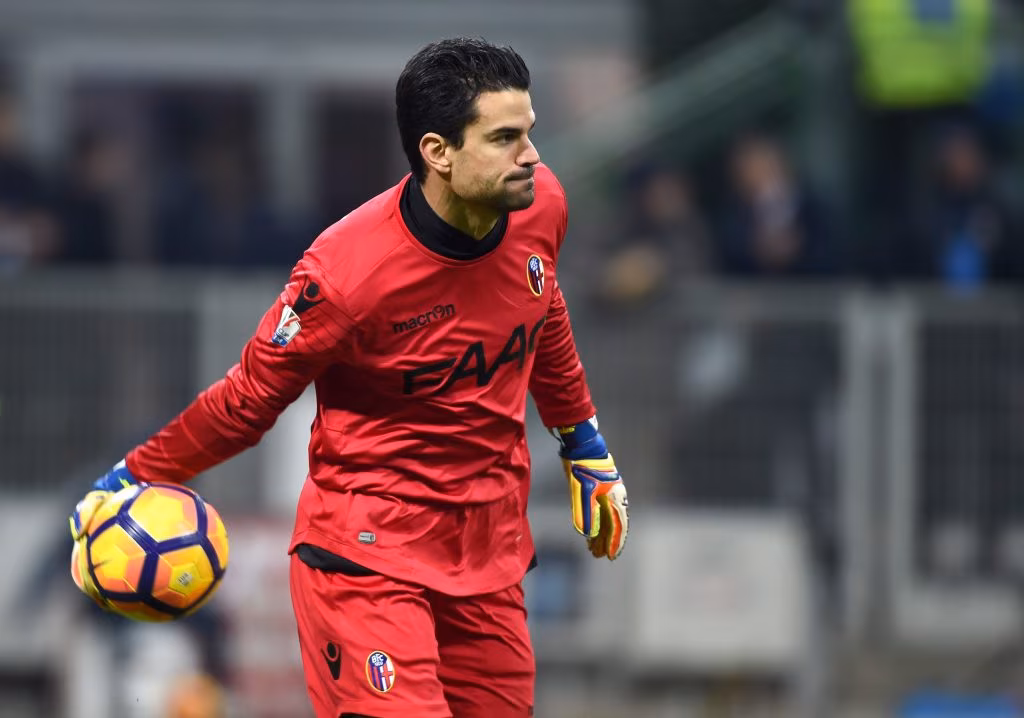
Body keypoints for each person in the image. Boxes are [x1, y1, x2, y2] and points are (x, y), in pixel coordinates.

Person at [68, 38, 628, 718]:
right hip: (369, 557)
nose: (531, 156)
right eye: (504, 139)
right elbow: (246, 401)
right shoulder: (345, 275)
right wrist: (136, 473)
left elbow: (543, 307)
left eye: (529, 132)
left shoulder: (541, 207)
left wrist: (583, 441)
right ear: (438, 152)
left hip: (489, 552)